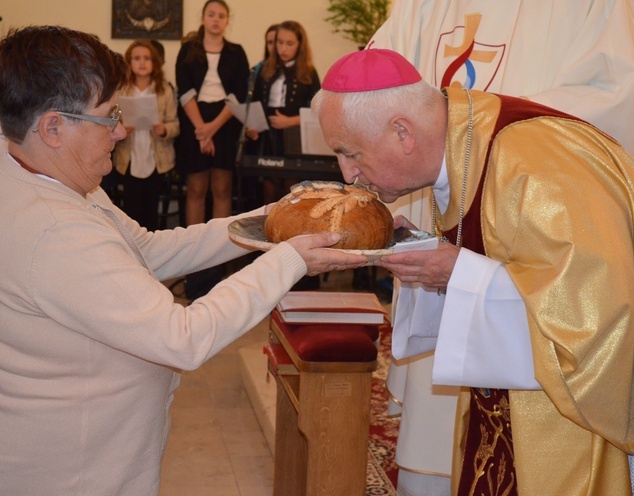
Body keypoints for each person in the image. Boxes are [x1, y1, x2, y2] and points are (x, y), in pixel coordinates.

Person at [312, 48, 634, 496]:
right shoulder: (463, 145)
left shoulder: (533, 161)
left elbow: (599, 314)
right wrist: (431, 257)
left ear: (403, 131)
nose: (348, 174)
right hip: (522, 401)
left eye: (351, 153)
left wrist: (458, 273)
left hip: (615, 401)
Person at [0, 25, 367, 495]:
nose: (119, 130)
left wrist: (274, 218)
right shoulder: (52, 230)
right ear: (52, 127)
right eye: (107, 115)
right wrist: (290, 261)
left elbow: (148, 251)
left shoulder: (56, 178)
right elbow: (182, 338)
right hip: (75, 467)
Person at [366, 1, 634, 492]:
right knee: (441, 448)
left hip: (539, 245)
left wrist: (465, 127)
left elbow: (611, 99)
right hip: (446, 226)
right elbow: (376, 81)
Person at [175, 0, 249, 226]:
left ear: (227, 21)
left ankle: (218, 249)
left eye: (221, 16)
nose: (216, 19)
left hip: (225, 121)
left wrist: (212, 128)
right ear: (203, 18)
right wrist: (202, 130)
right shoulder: (188, 49)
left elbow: (238, 94)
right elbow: (185, 92)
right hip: (193, 120)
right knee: (196, 187)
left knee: (222, 187)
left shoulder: (236, 52)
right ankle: (194, 249)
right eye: (211, 14)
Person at [246, 20, 321, 204]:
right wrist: (253, 126)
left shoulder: (309, 72)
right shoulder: (265, 69)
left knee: (292, 189)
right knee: (268, 188)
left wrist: (290, 121)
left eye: (289, 43)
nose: (283, 48)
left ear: (300, 45)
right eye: (279, 42)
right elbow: (255, 103)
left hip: (294, 137)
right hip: (268, 138)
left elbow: (317, 109)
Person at [114, 39, 180, 231]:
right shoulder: (121, 90)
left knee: (151, 208)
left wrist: (164, 130)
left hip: (156, 157)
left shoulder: (164, 90)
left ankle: (152, 250)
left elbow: (175, 123)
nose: (142, 63)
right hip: (129, 156)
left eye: (146, 58)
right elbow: (110, 120)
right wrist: (120, 128)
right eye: (136, 58)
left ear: (155, 63)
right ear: (129, 63)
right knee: (132, 207)